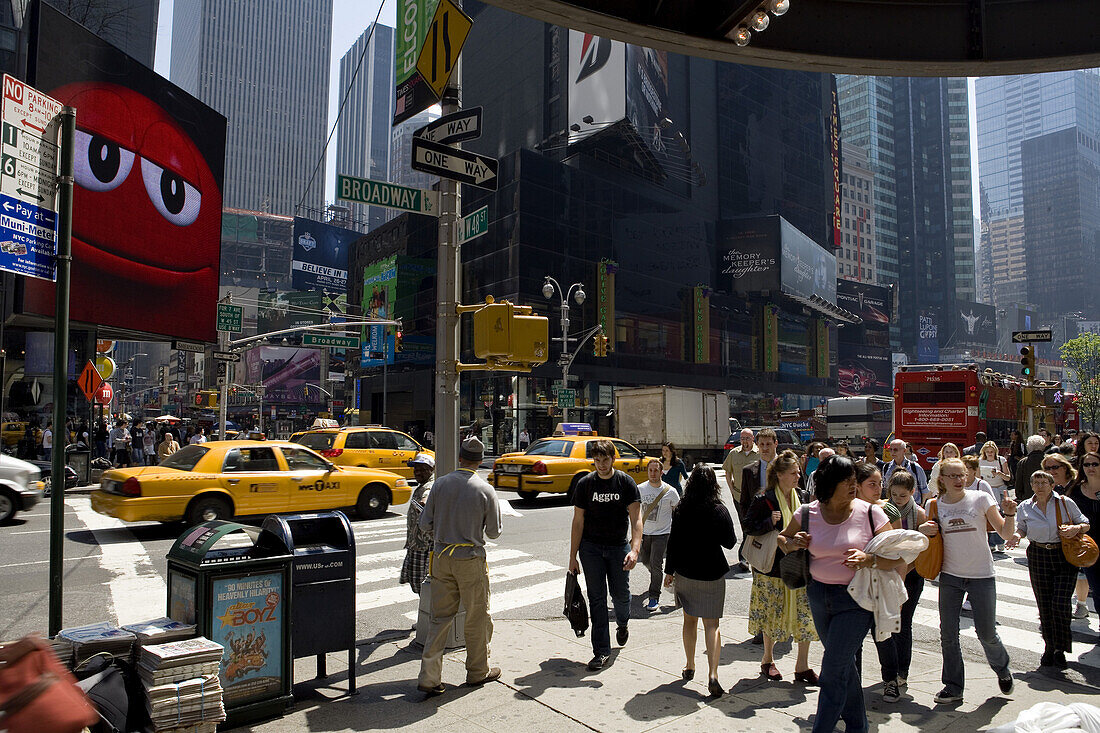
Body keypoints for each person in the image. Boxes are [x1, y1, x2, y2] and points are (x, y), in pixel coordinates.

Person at [778, 456, 899, 733]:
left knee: (832, 672)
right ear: (831, 484)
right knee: (845, 668)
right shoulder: (807, 513)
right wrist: (794, 542)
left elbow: (897, 557)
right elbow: (781, 540)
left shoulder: (872, 513)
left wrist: (869, 559)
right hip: (818, 596)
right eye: (847, 481)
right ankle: (858, 727)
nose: (853, 485)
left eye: (854, 480)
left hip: (857, 601)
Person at [921, 457, 1017, 704]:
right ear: (941, 479)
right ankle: (953, 686)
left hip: (982, 575)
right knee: (948, 634)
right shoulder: (935, 505)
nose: (958, 480)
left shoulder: (981, 498)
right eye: (952, 476)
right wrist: (924, 531)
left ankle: (1002, 668)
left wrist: (1010, 514)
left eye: (961, 475)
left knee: (986, 633)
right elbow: (925, 538)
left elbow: (1005, 533)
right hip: (951, 576)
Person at [417, 436, 503, 696]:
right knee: (477, 616)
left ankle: (429, 677)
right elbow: (495, 532)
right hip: (470, 559)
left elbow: (424, 524)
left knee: (439, 618)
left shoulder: (440, 484)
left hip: (441, 558)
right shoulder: (485, 489)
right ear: (479, 461)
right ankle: (478, 671)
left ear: (460, 457)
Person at [569, 438, 643, 671]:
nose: (601, 464)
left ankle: (622, 623)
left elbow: (636, 519)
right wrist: (573, 556)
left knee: (621, 595)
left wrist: (634, 549)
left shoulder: (625, 483)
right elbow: (578, 521)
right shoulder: (585, 484)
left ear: (613, 458)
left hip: (617, 547)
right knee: (597, 599)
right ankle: (601, 651)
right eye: (597, 460)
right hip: (590, 549)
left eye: (605, 459)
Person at [744, 451, 818, 685]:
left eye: (798, 472)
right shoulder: (764, 499)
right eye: (793, 473)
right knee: (772, 615)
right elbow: (748, 527)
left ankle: (802, 666)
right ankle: (768, 660)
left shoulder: (804, 498)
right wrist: (770, 522)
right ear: (779, 475)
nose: (798, 476)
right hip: (773, 568)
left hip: (800, 566)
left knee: (804, 616)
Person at [663, 465, 737, 697]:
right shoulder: (718, 510)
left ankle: (690, 665)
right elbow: (730, 542)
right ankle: (713, 674)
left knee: (689, 621)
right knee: (712, 625)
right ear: (714, 484)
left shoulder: (682, 509)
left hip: (685, 571)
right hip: (712, 571)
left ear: (691, 482)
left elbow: (672, 542)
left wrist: (669, 571)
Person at [1006, 470, 1089, 669]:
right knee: (1044, 603)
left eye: (1044, 482)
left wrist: (1075, 529)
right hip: (1038, 554)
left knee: (1060, 603)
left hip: (1063, 554)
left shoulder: (1064, 503)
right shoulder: (1025, 506)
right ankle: (1049, 646)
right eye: (1036, 482)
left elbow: (1085, 523)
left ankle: (1060, 649)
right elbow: (1021, 528)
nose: (1040, 486)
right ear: (1032, 486)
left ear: (1052, 485)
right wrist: (1017, 536)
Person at [877, 470, 927, 703]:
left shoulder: (919, 514)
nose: (898, 500)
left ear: (913, 493)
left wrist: (903, 571)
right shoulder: (884, 509)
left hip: (912, 574)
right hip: (888, 573)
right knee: (887, 624)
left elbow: (921, 549)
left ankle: (901, 672)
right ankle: (889, 668)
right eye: (894, 495)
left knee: (903, 624)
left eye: (903, 496)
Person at [637, 458, 680, 611]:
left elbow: (678, 512)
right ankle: (661, 576)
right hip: (644, 534)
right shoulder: (640, 489)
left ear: (661, 472)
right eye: (650, 470)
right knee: (646, 561)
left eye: (656, 470)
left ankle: (654, 596)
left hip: (662, 534)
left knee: (656, 564)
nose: (653, 473)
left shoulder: (670, 491)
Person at [1068, 451, 1100, 625]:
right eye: (1087, 465)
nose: (1090, 468)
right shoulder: (1076, 490)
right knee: (1097, 589)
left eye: (1094, 464)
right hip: (1088, 548)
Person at [722, 428, 758, 573]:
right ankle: (744, 558)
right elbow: (727, 472)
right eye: (742, 438)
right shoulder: (734, 453)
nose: (744, 441)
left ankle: (749, 556)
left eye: (747, 438)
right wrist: (731, 490)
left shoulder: (759, 453)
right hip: (739, 497)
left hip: (756, 498)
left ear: (752, 439)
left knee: (752, 526)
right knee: (745, 526)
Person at [400, 453, 436, 596]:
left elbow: (426, 500)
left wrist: (424, 504)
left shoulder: (429, 487)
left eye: (422, 469)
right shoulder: (423, 485)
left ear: (431, 469)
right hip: (417, 544)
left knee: (421, 586)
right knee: (418, 585)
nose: (417, 472)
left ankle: (429, 614)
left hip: (423, 547)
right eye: (416, 469)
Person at [740, 428, 779, 522]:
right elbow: (745, 502)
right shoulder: (748, 471)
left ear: (776, 444)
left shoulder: (787, 466)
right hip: (758, 526)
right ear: (757, 445)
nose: (765, 448)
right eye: (762, 444)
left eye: (768, 444)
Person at [883, 439, 929, 504]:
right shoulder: (886, 467)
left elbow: (924, 489)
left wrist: (920, 505)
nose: (892, 452)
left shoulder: (915, 467)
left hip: (913, 506)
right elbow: (886, 488)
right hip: (894, 507)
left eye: (896, 450)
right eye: (890, 449)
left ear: (904, 450)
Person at [1015, 434, 1048, 502]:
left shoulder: (1023, 463)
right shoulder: (1049, 460)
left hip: (1028, 498)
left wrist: (1021, 496)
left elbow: (1018, 484)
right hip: (1048, 497)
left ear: (1029, 447)